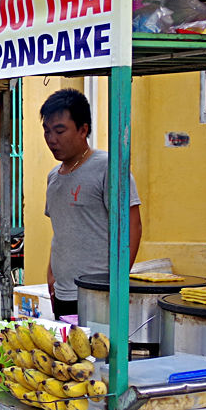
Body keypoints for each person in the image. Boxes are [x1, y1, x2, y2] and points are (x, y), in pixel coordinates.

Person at [41, 88, 141, 318]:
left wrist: (115, 285)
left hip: (99, 295)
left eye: (59, 130)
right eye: (47, 131)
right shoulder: (53, 177)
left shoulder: (108, 167)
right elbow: (61, 233)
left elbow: (133, 226)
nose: (51, 139)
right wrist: (51, 275)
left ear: (83, 129)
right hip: (63, 293)